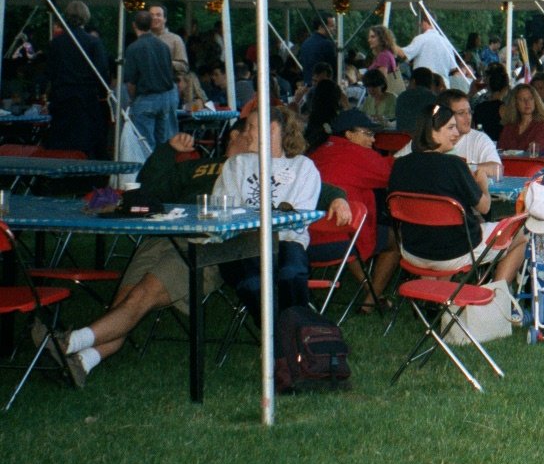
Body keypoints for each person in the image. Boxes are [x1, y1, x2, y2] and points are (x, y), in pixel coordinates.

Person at [38, 113, 339, 387]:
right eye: (237, 134)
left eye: (247, 131)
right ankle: (82, 360)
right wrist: (168, 151)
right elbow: (148, 187)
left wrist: (340, 197)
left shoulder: (285, 166)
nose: (241, 137)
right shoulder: (201, 168)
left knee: (140, 298)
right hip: (162, 234)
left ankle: (67, 342)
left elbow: (319, 191)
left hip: (207, 243)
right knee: (127, 301)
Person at [385, 99, 523, 291]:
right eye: (450, 128)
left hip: (412, 250)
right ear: (432, 131)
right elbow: (484, 208)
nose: (457, 133)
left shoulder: (400, 165)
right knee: (523, 232)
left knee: (447, 231)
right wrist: (483, 184)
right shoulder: (454, 165)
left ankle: (437, 295)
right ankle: (493, 294)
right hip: (454, 253)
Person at [212, 106, 326, 315]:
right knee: (253, 282)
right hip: (244, 245)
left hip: (287, 243)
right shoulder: (236, 165)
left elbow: (298, 219)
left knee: (291, 273)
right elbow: (224, 210)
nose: (244, 134)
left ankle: (293, 330)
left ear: (272, 129)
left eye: (251, 127)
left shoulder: (302, 167)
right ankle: (284, 337)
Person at [308, 108, 395, 312]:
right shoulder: (355, 153)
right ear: (349, 134)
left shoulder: (318, 151)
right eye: (368, 134)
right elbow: (390, 175)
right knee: (393, 242)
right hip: (338, 238)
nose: (373, 140)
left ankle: (372, 291)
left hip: (304, 241)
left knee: (348, 236)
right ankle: (370, 301)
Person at [43, 1, 109, 157]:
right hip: (85, 100)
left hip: (62, 99)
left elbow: (50, 72)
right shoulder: (93, 42)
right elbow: (102, 72)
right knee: (85, 142)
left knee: (62, 143)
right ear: (86, 18)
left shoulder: (56, 43)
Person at [122, 8, 179, 150]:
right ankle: (164, 171)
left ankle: (148, 171)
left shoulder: (133, 48)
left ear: (134, 25)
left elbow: (131, 82)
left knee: (145, 144)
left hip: (146, 98)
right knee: (164, 144)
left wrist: (132, 99)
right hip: (166, 97)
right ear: (150, 24)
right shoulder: (164, 46)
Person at [497, 83, 544, 157]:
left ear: (535, 101)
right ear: (515, 103)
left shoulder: (543, 127)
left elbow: (533, 154)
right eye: (522, 99)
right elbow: (499, 152)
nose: (527, 103)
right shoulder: (509, 128)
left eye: (530, 98)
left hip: (533, 167)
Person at [400, 16, 457, 84]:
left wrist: (392, 46)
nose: (420, 26)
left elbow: (404, 54)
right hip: (443, 86)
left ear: (424, 22)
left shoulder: (421, 39)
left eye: (420, 23)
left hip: (424, 84)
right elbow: (453, 68)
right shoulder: (446, 42)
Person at [147, 4, 191, 78]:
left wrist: (165, 63)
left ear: (165, 19)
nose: (154, 18)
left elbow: (184, 67)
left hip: (168, 85)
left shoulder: (175, 39)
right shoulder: (143, 39)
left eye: (158, 15)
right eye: (151, 15)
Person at [393, 67, 438, 135]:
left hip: (402, 138)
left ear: (413, 81)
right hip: (426, 139)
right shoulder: (435, 99)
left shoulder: (402, 97)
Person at [472, 64, 512, 141]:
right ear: (506, 87)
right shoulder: (505, 109)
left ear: (488, 85)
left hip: (481, 144)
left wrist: (471, 93)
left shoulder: (478, 106)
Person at [296, 15, 336, 85]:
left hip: (307, 84)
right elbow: (334, 67)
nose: (334, 29)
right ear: (321, 27)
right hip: (322, 86)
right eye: (331, 26)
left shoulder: (305, 43)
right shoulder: (327, 44)